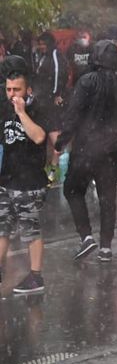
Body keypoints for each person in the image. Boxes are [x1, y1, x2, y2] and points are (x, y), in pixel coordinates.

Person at [56, 40, 117, 262]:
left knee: (72, 189)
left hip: (86, 150)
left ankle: (86, 236)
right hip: (112, 152)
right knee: (107, 197)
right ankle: (106, 247)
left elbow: (73, 114)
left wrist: (62, 141)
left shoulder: (86, 82)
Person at [0, 66, 50, 293]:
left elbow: (39, 137)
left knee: (30, 230)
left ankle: (36, 277)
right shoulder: (5, 110)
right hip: (7, 179)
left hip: (29, 181)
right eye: (8, 90)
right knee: (2, 228)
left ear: (28, 90)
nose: (12, 94)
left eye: (16, 89)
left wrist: (22, 113)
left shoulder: (37, 109)